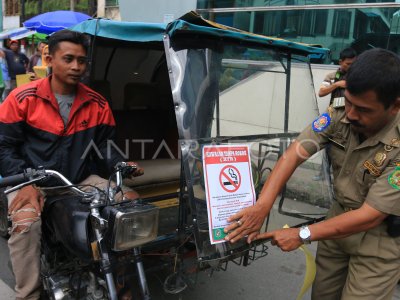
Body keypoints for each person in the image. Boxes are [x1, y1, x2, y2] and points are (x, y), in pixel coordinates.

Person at [224, 48, 400, 299]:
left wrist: (302, 234)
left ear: (395, 106)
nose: (350, 114)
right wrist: (263, 204)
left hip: (378, 240)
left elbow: (370, 216)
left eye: (363, 109)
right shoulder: (339, 113)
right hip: (335, 226)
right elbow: (296, 152)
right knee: (322, 295)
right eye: (348, 101)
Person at [0, 30, 143, 300]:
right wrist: (25, 184)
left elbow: (104, 145)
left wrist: (120, 164)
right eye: (68, 59)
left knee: (130, 204)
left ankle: (120, 281)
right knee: (25, 222)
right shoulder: (22, 99)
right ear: (49, 58)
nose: (77, 67)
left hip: (77, 179)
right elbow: (4, 146)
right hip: (30, 182)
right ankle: (28, 294)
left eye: (81, 60)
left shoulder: (97, 102)